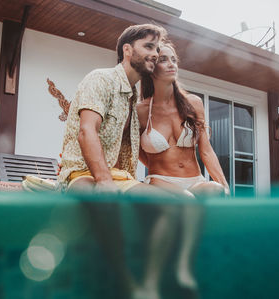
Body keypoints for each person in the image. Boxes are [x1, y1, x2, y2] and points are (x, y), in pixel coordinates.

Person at [58, 24, 178, 298]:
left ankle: (149, 283)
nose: (156, 54)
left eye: (157, 48)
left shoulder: (133, 95)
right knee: (103, 201)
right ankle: (124, 284)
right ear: (127, 50)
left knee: (173, 205)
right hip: (81, 173)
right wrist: (103, 180)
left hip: (118, 176)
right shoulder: (100, 79)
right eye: (149, 46)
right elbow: (87, 131)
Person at [135, 41, 230, 298]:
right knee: (186, 201)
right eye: (164, 59)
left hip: (194, 179)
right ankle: (162, 277)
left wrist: (223, 183)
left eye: (174, 59)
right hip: (161, 181)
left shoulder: (193, 103)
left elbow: (206, 150)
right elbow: (139, 152)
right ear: (151, 68)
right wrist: (155, 173)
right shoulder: (142, 110)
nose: (171, 64)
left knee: (213, 192)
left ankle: (183, 265)